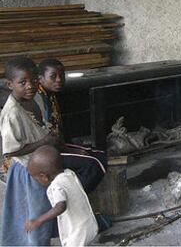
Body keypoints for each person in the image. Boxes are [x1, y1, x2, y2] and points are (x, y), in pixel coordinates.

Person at [0, 57, 63, 245]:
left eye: (34, 80)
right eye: (23, 82)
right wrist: (43, 141)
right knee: (35, 213)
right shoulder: (11, 114)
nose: (30, 86)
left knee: (41, 209)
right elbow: (11, 150)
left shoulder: (34, 99)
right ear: (9, 84)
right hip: (28, 171)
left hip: (39, 165)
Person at [35, 58, 107, 193]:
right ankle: (71, 197)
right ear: (40, 79)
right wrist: (71, 151)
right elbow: (49, 138)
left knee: (100, 155)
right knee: (94, 164)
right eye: (53, 76)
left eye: (61, 76)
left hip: (54, 146)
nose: (59, 80)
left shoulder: (49, 95)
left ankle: (75, 193)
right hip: (43, 153)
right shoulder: (38, 99)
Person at [25, 145, 98, 247]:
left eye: (36, 179)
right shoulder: (69, 174)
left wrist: (38, 220)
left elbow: (60, 207)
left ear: (44, 177)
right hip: (88, 223)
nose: (37, 182)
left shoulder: (56, 186)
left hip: (77, 232)